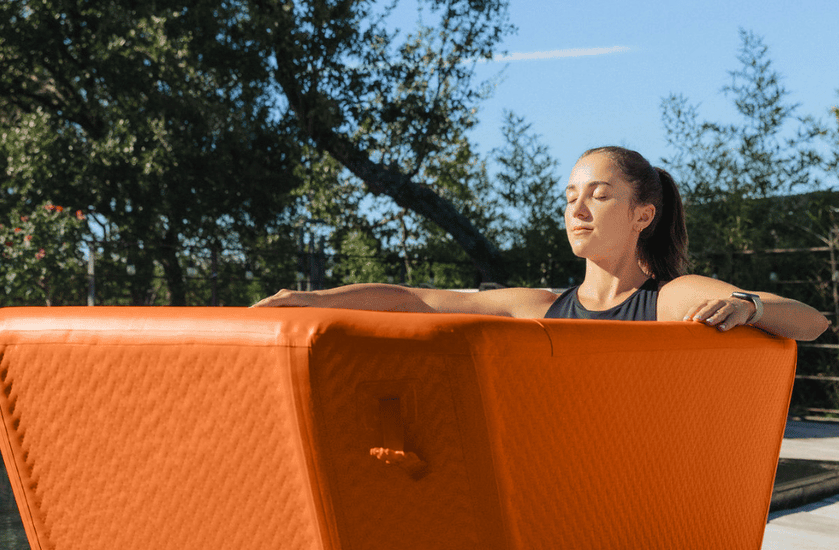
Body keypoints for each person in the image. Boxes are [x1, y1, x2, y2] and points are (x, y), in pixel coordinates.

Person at [253, 146, 830, 341]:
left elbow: (812, 322)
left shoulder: (667, 299)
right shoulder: (541, 306)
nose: (577, 210)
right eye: (570, 196)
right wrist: (310, 299)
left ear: (642, 215)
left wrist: (749, 307)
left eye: (599, 195)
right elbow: (415, 299)